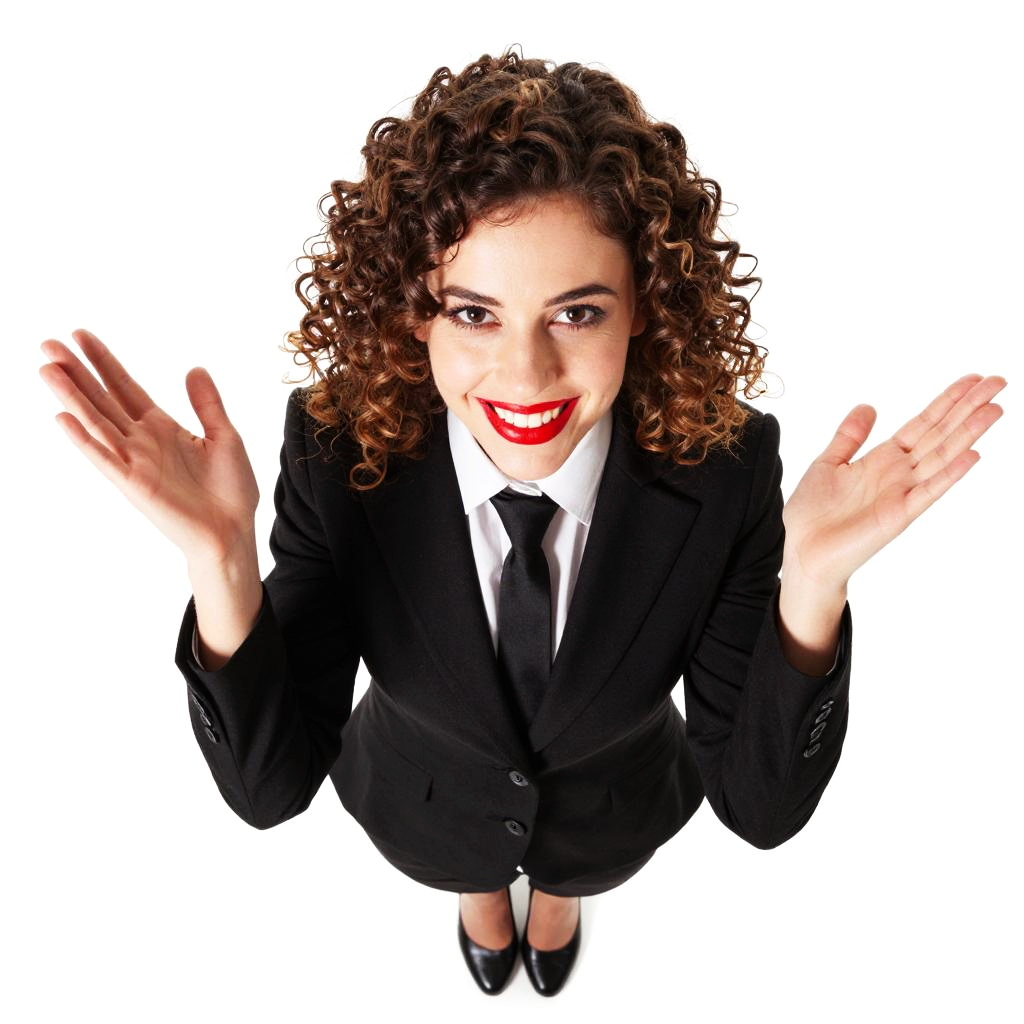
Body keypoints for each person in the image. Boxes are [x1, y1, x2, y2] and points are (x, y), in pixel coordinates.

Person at [38, 49, 1005, 998]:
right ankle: (479, 896)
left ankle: (559, 899)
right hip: (420, 799)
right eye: (474, 313)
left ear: (646, 313)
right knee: (470, 865)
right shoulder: (335, 451)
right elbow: (269, 789)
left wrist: (815, 587)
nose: (527, 377)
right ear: (413, 314)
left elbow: (759, 805)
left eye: (577, 314)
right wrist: (220, 561)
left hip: (612, 813)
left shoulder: (726, 466)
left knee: (567, 879)